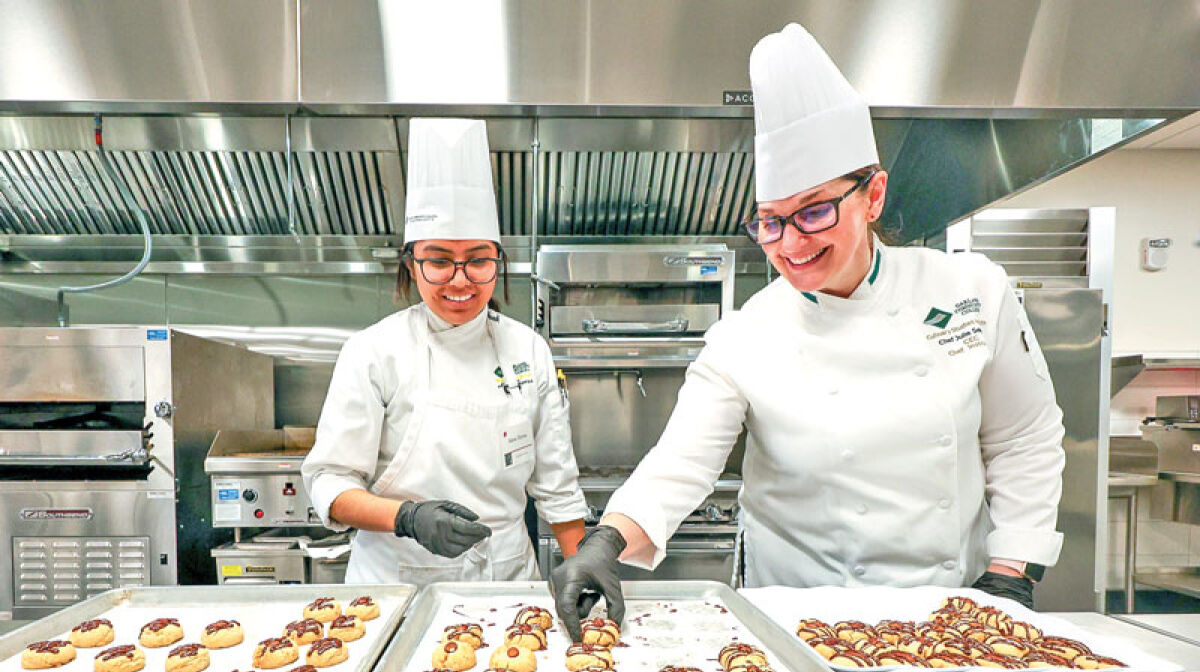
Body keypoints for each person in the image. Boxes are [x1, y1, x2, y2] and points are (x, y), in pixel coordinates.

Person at [549, 23, 1066, 640]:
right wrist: (605, 540)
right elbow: (682, 461)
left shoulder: (973, 292)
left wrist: (1012, 571)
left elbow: (1024, 437)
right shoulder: (745, 335)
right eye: (770, 223)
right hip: (795, 623)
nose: (791, 245)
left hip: (950, 614)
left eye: (814, 211)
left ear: (872, 196)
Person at [302, 118, 586, 584]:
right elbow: (330, 485)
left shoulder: (527, 349)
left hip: (507, 580)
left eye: (477, 260)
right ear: (412, 265)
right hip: (399, 582)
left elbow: (558, 488)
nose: (459, 280)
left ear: (498, 262)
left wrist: (580, 570)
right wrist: (406, 517)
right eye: (438, 261)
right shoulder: (374, 352)